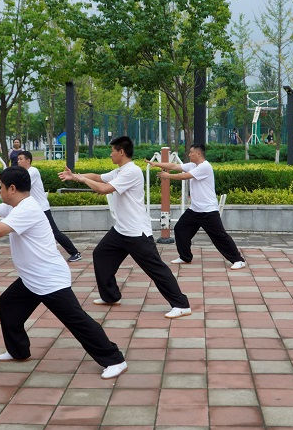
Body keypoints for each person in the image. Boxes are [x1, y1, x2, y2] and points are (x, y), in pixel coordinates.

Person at [0, 166, 128, 379]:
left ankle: (115, 359)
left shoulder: (27, 209)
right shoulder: (16, 205)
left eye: (0, 187)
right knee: (8, 303)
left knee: (77, 321)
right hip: (32, 278)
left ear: (11, 188)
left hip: (49, 279)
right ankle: (18, 351)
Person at [58, 136, 192, 319]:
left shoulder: (132, 172)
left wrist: (81, 180)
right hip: (121, 230)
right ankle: (111, 296)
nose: (111, 154)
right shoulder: (121, 170)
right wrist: (76, 176)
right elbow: (98, 178)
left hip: (136, 232)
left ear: (121, 152)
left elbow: (104, 189)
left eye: (112, 150)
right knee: (101, 255)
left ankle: (181, 304)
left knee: (156, 269)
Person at [147, 144, 246, 270]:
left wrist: (168, 176)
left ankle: (238, 260)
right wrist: (157, 164)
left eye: (191, 152)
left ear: (198, 154)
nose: (189, 154)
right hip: (195, 209)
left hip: (208, 210)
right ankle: (185, 257)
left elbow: (184, 176)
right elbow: (174, 166)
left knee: (220, 236)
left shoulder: (205, 167)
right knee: (180, 229)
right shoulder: (193, 165)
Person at [0, 150, 82, 262]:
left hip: (41, 208)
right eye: (18, 159)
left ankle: (75, 253)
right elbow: (7, 177)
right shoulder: (22, 174)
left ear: (28, 160)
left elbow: (13, 181)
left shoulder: (32, 172)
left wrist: (3, 182)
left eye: (21, 159)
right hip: (32, 209)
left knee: (55, 233)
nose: (18, 161)